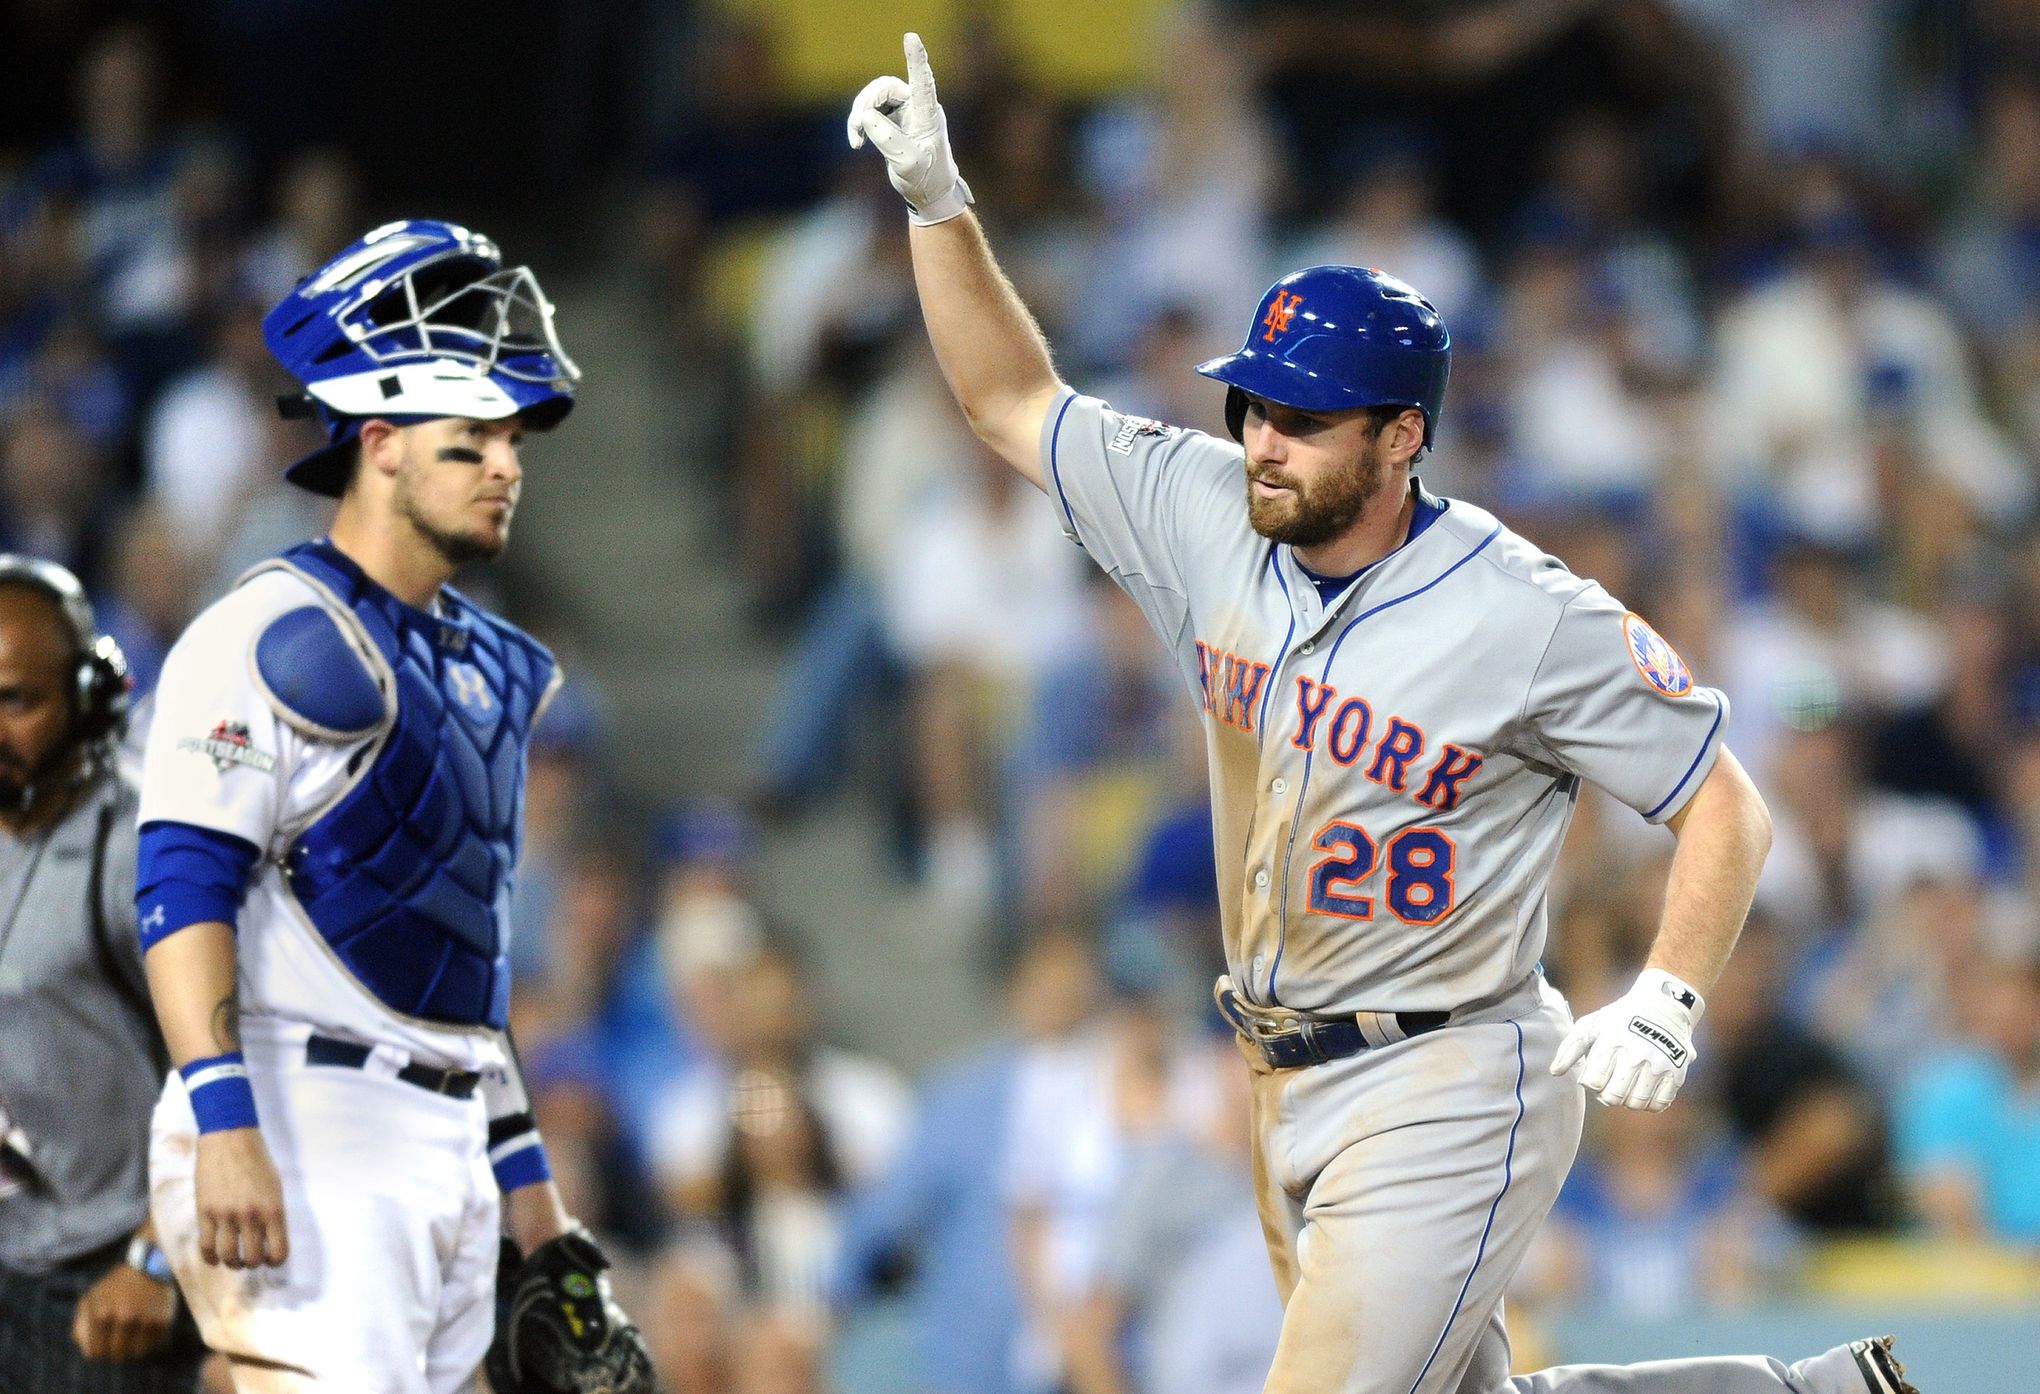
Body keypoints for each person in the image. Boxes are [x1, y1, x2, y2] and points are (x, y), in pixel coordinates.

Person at [847, 35, 1919, 1394]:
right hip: (1279, 1069)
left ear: (1401, 436)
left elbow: (1725, 792)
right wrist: (942, 208)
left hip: (1453, 1077)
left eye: (1303, 415)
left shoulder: (1523, 610)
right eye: (1253, 403)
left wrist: (1668, 990)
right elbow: (1012, 399)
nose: (1261, 438)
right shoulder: (1205, 509)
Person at [134, 219, 647, 1392]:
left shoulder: (493, 667)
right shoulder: (267, 633)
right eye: (471, 440)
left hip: (442, 1130)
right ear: (378, 444)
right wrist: (225, 1123)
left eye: (512, 437)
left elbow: (470, 965)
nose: (508, 464)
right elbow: (178, 889)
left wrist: (540, 1215)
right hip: (299, 1112)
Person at [0, 556, 207, 1392]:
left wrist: (155, 1260)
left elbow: (234, 1063)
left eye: (16, 700)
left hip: (113, 1296)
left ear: (91, 698)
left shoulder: (141, 850)